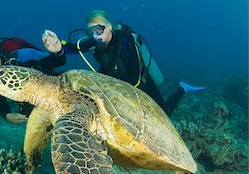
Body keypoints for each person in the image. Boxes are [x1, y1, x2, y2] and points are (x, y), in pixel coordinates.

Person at [41, 10, 206, 115]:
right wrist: (58, 46)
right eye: (90, 31)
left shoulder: (126, 42)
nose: (94, 35)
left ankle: (182, 88)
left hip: (140, 84)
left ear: (109, 26)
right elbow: (71, 48)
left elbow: (135, 80)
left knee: (165, 112)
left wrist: (114, 95)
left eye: (98, 29)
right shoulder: (94, 41)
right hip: (111, 86)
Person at [0, 37, 65, 124]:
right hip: (32, 101)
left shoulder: (21, 56)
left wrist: (58, 51)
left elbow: (59, 61)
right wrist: (7, 115)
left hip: (55, 86)